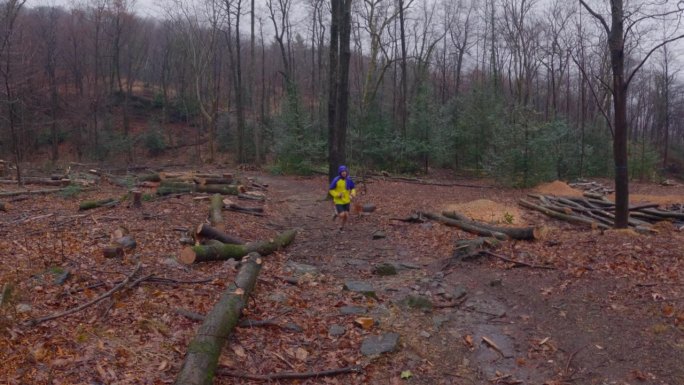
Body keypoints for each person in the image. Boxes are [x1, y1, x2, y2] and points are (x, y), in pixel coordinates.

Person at [329, 165, 356, 230]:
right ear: (340, 172)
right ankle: (336, 213)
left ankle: (341, 226)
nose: (344, 173)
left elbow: (353, 188)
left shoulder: (349, 180)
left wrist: (352, 194)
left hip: (347, 200)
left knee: (346, 215)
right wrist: (337, 194)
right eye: (342, 172)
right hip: (339, 200)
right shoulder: (336, 179)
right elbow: (331, 190)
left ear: (347, 172)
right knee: (342, 215)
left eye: (345, 171)